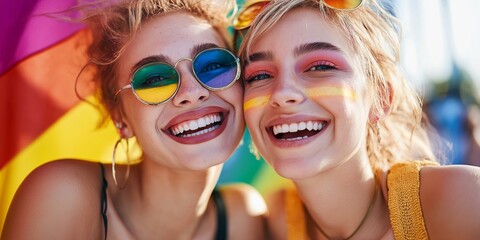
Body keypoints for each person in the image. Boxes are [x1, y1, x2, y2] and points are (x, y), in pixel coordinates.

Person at [1, 0, 268, 239]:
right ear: (120, 117)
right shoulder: (61, 196)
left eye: (212, 65)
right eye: (153, 80)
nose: (192, 92)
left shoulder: (243, 217)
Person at [236, 0, 480, 239]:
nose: (281, 93)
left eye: (319, 67)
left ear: (381, 97)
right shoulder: (274, 223)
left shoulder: (461, 201)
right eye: (259, 75)